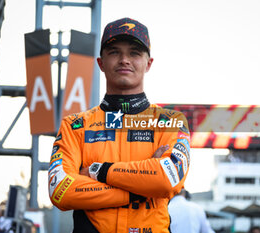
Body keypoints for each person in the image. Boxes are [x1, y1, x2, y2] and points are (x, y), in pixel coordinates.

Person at [48, 17, 191, 232]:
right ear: (101, 63)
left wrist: (98, 171)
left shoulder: (171, 122)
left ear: (148, 63)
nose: (124, 59)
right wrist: (139, 189)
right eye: (114, 52)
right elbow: (60, 189)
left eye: (134, 52)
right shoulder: (75, 125)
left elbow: (167, 177)